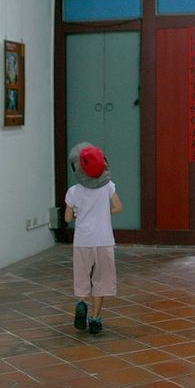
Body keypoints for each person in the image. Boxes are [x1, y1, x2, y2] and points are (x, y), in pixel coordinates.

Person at [64, 142, 122, 335]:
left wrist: (79, 214)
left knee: (82, 277)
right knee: (101, 280)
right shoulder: (107, 187)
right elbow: (117, 207)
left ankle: (81, 302)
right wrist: (102, 213)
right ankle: (95, 319)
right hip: (104, 239)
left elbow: (67, 217)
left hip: (82, 240)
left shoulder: (73, 191)